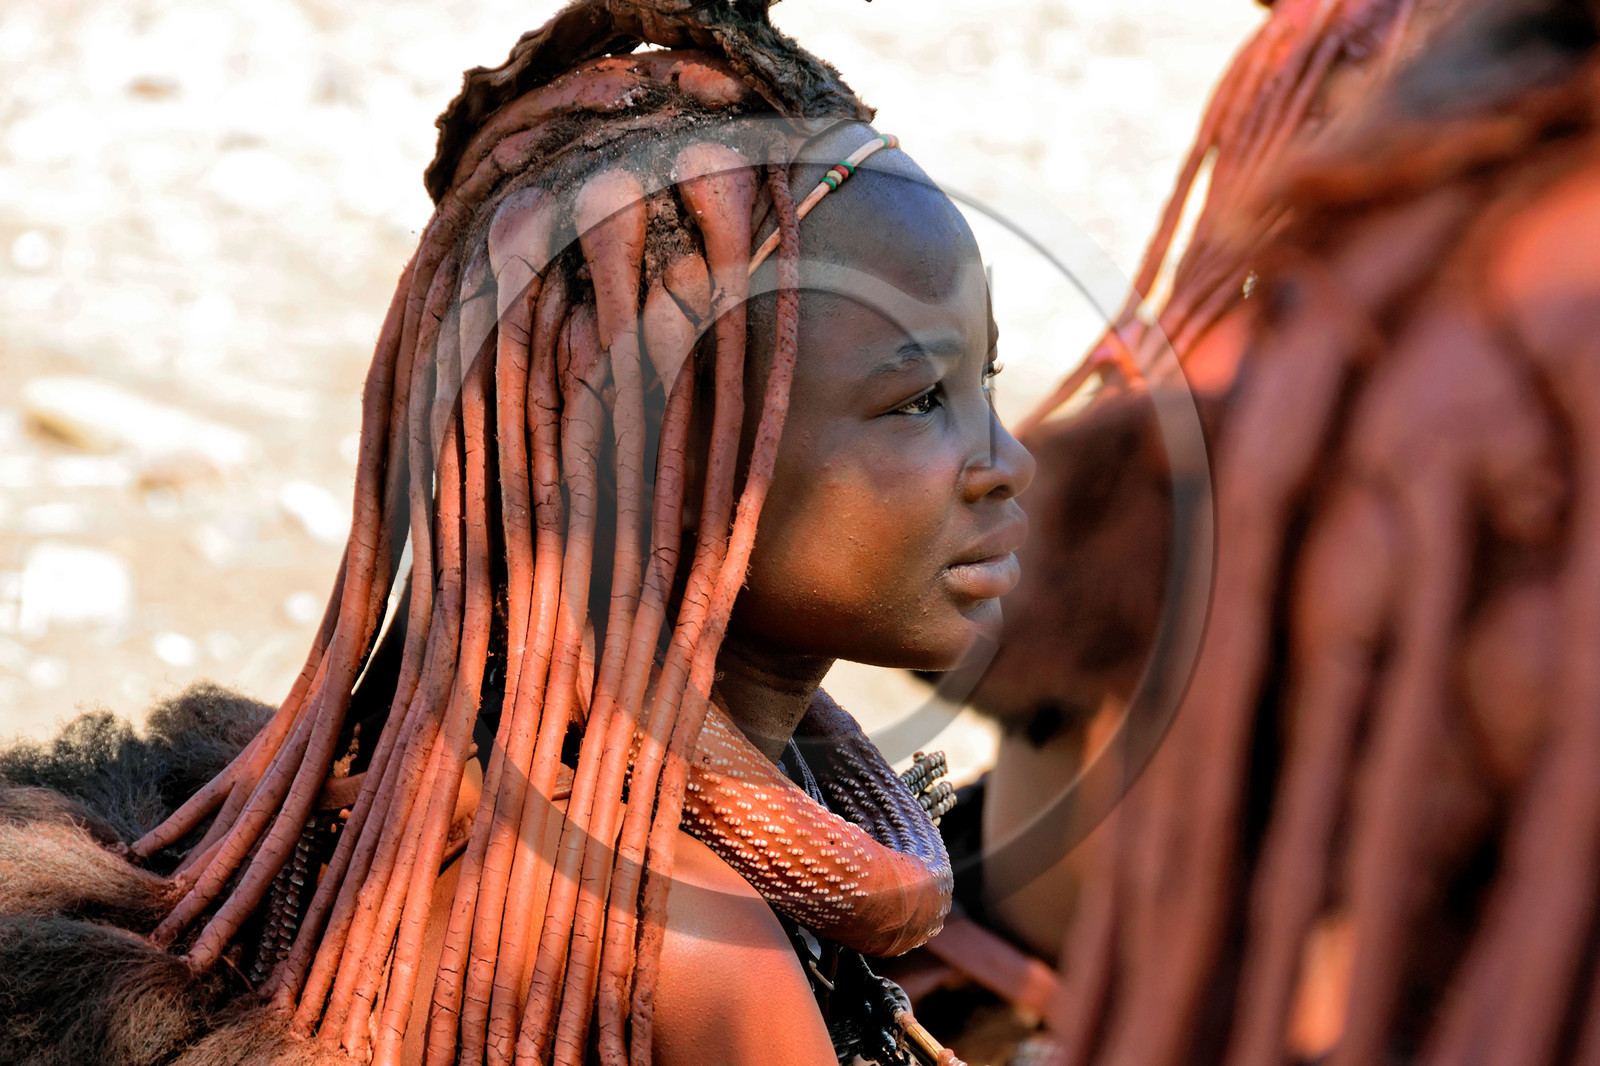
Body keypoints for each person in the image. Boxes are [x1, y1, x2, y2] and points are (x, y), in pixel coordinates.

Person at [0, 2, 1033, 1064]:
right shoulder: (691, 941)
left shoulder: (491, 796)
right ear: (657, 461)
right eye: (916, 401)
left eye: (982, 380)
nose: (1010, 462)